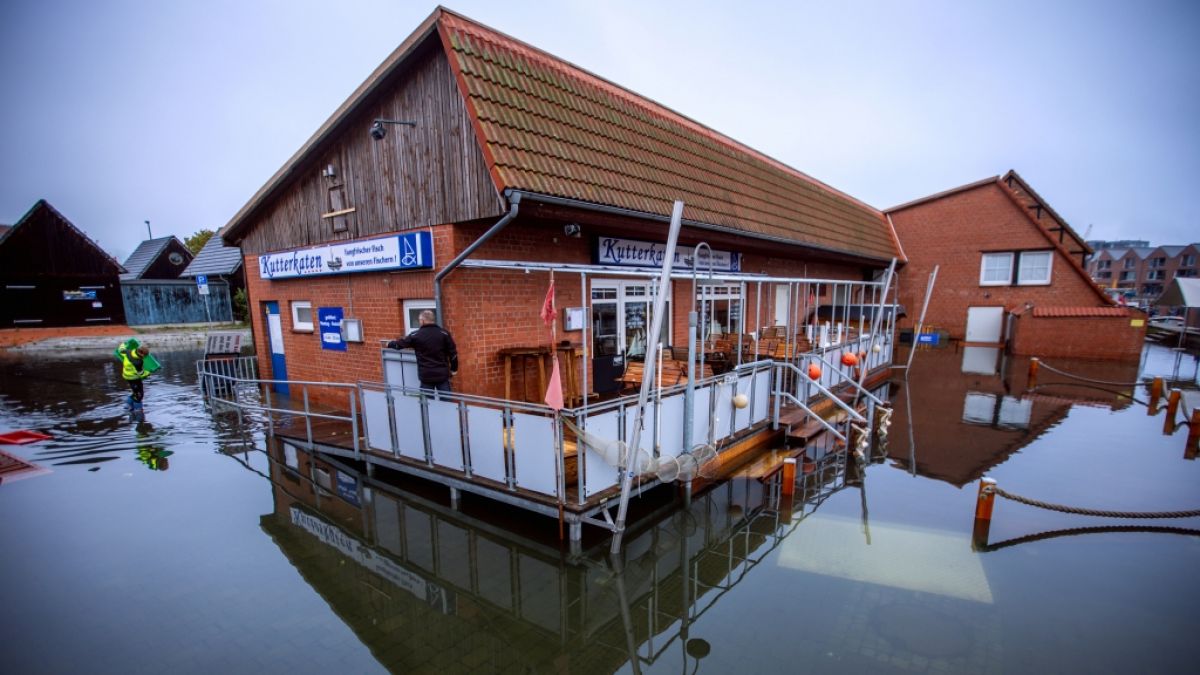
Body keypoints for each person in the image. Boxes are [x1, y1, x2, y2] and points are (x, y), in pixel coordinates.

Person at [387, 310, 458, 393]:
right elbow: (453, 354)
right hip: (442, 375)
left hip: (426, 376)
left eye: (419, 320)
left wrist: (389, 344)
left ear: (423, 321)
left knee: (426, 403)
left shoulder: (416, 335)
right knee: (446, 403)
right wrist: (454, 369)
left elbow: (399, 344)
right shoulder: (444, 333)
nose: (419, 322)